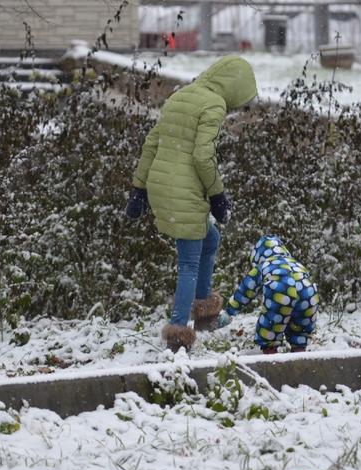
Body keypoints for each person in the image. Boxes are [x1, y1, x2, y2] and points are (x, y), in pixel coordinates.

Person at [125, 55, 258, 353]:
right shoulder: (213, 104)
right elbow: (202, 156)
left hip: (163, 186)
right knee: (188, 263)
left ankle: (206, 314)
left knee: (210, 240)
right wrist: (217, 196)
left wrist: (140, 190)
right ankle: (178, 338)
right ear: (233, 88)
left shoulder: (182, 95)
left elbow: (151, 143)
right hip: (184, 191)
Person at [225, 235, 320, 354]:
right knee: (301, 326)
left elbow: (246, 290)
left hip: (282, 291)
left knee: (271, 323)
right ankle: (299, 352)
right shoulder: (296, 263)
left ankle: (271, 354)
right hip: (308, 294)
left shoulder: (264, 264)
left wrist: (230, 311)